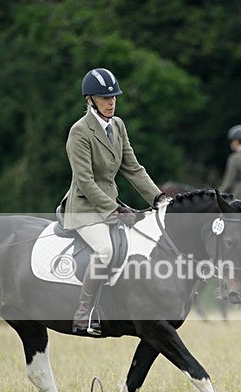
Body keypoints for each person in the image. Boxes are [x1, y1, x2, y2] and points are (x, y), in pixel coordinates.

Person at [60, 67, 166, 335]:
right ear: (90, 100)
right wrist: (115, 209)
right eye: (105, 98)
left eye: (114, 98)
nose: (111, 102)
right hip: (85, 209)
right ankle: (83, 314)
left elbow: (133, 168)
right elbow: (84, 182)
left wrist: (159, 197)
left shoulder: (118, 126)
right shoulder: (79, 132)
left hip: (110, 206)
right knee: (105, 251)